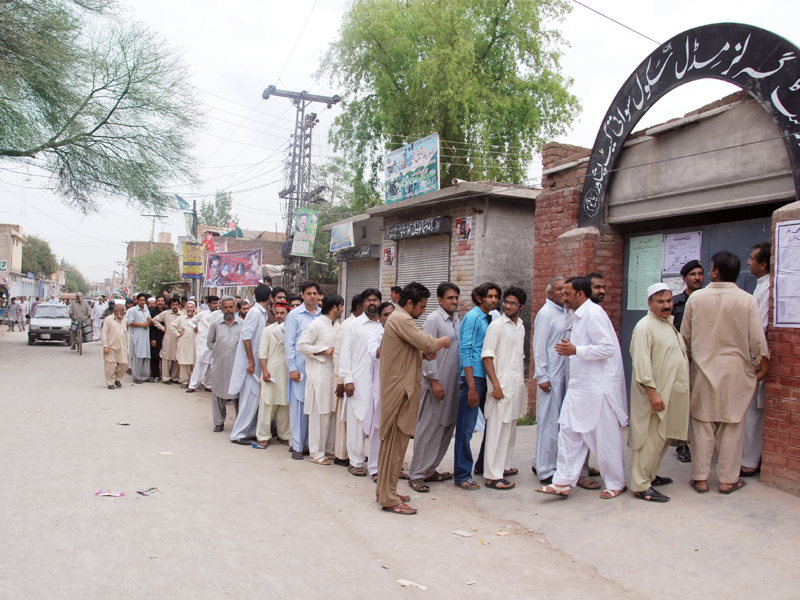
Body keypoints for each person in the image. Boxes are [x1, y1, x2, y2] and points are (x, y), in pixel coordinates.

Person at [682, 250, 769, 494]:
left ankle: (700, 478)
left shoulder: (696, 299)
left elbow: (685, 338)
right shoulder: (747, 300)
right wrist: (764, 364)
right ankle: (727, 480)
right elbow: (757, 340)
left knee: (701, 423)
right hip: (735, 373)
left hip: (702, 370)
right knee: (733, 425)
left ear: (715, 272)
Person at [536, 277, 628, 499]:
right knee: (568, 432)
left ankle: (616, 482)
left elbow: (607, 348)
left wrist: (576, 350)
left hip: (597, 388)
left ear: (580, 295)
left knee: (604, 437)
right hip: (580, 386)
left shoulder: (594, 314)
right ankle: (562, 482)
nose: (564, 298)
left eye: (567, 294)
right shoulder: (576, 316)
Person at [377, 282, 451, 515]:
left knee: (394, 446)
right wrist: (443, 342)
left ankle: (386, 490)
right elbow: (427, 342)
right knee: (395, 446)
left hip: (401, 390)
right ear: (409, 303)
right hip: (400, 392)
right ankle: (388, 498)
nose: (422, 312)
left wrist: (422, 353)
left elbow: (410, 350)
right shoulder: (401, 319)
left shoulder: (399, 320)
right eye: (420, 307)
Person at [628, 283, 690, 503]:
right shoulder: (645, 327)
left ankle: (650, 476)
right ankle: (640, 485)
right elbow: (642, 365)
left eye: (669, 301)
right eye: (661, 301)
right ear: (650, 303)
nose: (666, 305)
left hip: (671, 394)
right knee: (650, 440)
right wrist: (653, 393)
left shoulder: (667, 324)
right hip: (655, 397)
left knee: (662, 438)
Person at [408, 283, 461, 492]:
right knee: (428, 428)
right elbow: (427, 350)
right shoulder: (433, 320)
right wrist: (435, 381)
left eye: (456, 297)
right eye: (450, 298)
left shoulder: (456, 319)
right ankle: (417, 474)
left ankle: (430, 469)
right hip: (436, 384)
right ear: (440, 300)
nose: (454, 301)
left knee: (446, 428)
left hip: (453, 383)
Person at [454, 282, 500, 491]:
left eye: (495, 296)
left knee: (492, 422)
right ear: (480, 298)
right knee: (466, 428)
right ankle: (462, 474)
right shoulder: (473, 317)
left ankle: (483, 465)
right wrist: (471, 386)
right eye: (489, 296)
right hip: (474, 379)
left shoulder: (491, 317)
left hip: (486, 378)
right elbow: (466, 350)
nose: (493, 300)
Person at [481, 286, 527, 490]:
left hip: (515, 385)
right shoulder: (497, 326)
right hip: (500, 386)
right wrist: (496, 386)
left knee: (510, 428)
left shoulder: (521, 326)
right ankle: (492, 475)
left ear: (521, 306)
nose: (508, 306)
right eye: (506, 302)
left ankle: (503, 466)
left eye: (513, 303)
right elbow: (487, 356)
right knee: (496, 430)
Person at [297, 294, 343, 464]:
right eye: (342, 306)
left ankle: (329, 449)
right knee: (319, 415)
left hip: (332, 375)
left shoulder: (337, 325)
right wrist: (323, 350)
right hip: (319, 375)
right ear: (334, 308)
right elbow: (301, 346)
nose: (343, 310)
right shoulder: (316, 324)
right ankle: (316, 453)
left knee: (331, 413)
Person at [339, 291, 380, 476]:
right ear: (362, 304)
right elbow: (345, 353)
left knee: (377, 423)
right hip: (358, 381)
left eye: (375, 300)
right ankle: (355, 462)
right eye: (369, 300)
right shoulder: (354, 325)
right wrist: (347, 379)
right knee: (357, 421)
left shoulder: (385, 325)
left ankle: (377, 463)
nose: (372, 303)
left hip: (379, 381)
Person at [532, 276, 568, 485]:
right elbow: (540, 347)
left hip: (561, 375)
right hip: (550, 377)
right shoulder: (545, 314)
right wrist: (542, 376)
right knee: (548, 423)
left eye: (565, 289)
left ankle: (541, 462)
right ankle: (546, 471)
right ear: (549, 293)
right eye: (558, 290)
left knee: (555, 423)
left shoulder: (563, 312)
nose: (563, 292)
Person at [670, 259, 704, 464]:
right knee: (681, 402)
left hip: (703, 358)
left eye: (700, 274)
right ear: (684, 279)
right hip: (681, 359)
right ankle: (682, 444)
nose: (697, 278)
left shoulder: (708, 300)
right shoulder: (675, 303)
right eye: (693, 274)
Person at [228, 285, 271, 444]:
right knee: (249, 398)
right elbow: (246, 337)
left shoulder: (260, 313)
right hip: (250, 364)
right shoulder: (254, 313)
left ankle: (250, 430)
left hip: (256, 363)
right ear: (270, 297)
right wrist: (251, 361)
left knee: (255, 399)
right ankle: (238, 433)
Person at [742, 242, 771, 477]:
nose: (749, 262)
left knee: (753, 411)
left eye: (753, 259)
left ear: (763, 264)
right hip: (754, 354)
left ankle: (750, 461)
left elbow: (759, 329)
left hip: (757, 356)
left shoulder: (768, 288)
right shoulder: (761, 286)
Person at [284, 281, 322, 459]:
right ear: (302, 295)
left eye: (315, 293)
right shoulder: (294, 315)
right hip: (300, 368)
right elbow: (289, 343)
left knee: (313, 407)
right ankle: (297, 447)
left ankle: (309, 444)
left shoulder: (322, 315)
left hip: (318, 367)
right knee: (299, 407)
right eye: (309, 293)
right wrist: (292, 368)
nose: (312, 296)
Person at [333, 293, 365, 468]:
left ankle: (353, 453)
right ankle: (341, 454)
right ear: (360, 307)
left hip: (357, 379)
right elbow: (339, 354)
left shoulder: (363, 325)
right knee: (344, 420)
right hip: (346, 380)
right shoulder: (348, 325)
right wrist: (341, 380)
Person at [254, 301, 291, 448]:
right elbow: (262, 352)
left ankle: (284, 434)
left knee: (284, 404)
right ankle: (263, 435)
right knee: (267, 403)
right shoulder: (268, 331)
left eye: (282, 313)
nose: (279, 316)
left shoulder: (291, 330)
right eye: (277, 313)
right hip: (271, 372)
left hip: (287, 372)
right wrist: (264, 370)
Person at [366, 302, 394, 480]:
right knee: (378, 427)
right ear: (379, 318)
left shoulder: (404, 330)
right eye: (385, 315)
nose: (390, 318)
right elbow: (373, 352)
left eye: (392, 314)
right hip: (381, 384)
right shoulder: (375, 333)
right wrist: (391, 340)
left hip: (398, 384)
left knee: (396, 429)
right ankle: (375, 467)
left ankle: (393, 467)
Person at [207, 296, 244, 432]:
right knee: (218, 393)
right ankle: (218, 422)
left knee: (238, 395)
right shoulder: (215, 325)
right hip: (220, 365)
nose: (229, 310)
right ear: (221, 308)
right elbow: (210, 343)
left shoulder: (242, 324)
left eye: (231, 307)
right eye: (226, 307)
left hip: (237, 366)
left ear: (235, 307)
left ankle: (240, 422)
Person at [187, 295, 218, 393]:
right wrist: (195, 328)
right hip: (202, 342)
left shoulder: (219, 315)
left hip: (213, 343)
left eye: (217, 303)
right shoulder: (202, 314)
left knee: (211, 365)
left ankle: (208, 384)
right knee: (200, 363)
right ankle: (192, 385)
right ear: (208, 304)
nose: (216, 305)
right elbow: (190, 322)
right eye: (214, 303)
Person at [152, 297, 183, 384]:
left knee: (177, 357)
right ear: (170, 306)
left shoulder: (182, 314)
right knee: (166, 357)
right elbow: (155, 320)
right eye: (172, 305)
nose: (174, 306)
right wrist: (162, 328)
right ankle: (165, 377)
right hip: (168, 337)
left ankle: (175, 377)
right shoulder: (166, 314)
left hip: (179, 337)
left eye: (176, 304)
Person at [126, 293, 153, 384]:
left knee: (146, 355)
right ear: (137, 301)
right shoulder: (133, 310)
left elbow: (149, 321)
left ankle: (145, 376)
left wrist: (150, 322)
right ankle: (136, 376)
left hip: (145, 335)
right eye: (140, 300)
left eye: (144, 300)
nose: (142, 302)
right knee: (137, 356)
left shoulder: (146, 310)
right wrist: (141, 325)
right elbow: (129, 322)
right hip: (137, 335)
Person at [102, 301, 129, 390]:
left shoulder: (124, 320)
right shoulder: (109, 319)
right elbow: (104, 333)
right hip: (111, 346)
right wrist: (105, 346)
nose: (124, 312)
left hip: (122, 346)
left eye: (124, 310)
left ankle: (117, 379)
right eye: (122, 310)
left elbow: (126, 333)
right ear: (116, 311)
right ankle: (110, 383)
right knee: (109, 366)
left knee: (124, 364)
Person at [170, 300, 197, 388]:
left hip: (195, 344)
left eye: (191, 307)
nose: (189, 309)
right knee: (184, 362)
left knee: (195, 363)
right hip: (184, 344)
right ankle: (185, 381)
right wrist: (178, 334)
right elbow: (172, 326)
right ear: (185, 308)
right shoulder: (181, 318)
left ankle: (194, 382)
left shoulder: (197, 318)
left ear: (194, 308)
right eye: (188, 307)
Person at [149, 295, 165, 381]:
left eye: (161, 301)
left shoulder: (167, 310)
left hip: (165, 336)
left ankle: (163, 374)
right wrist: (152, 339)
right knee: (155, 356)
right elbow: (150, 327)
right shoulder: (152, 311)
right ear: (156, 302)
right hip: (155, 336)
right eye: (158, 301)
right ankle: (155, 375)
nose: (160, 303)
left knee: (164, 356)